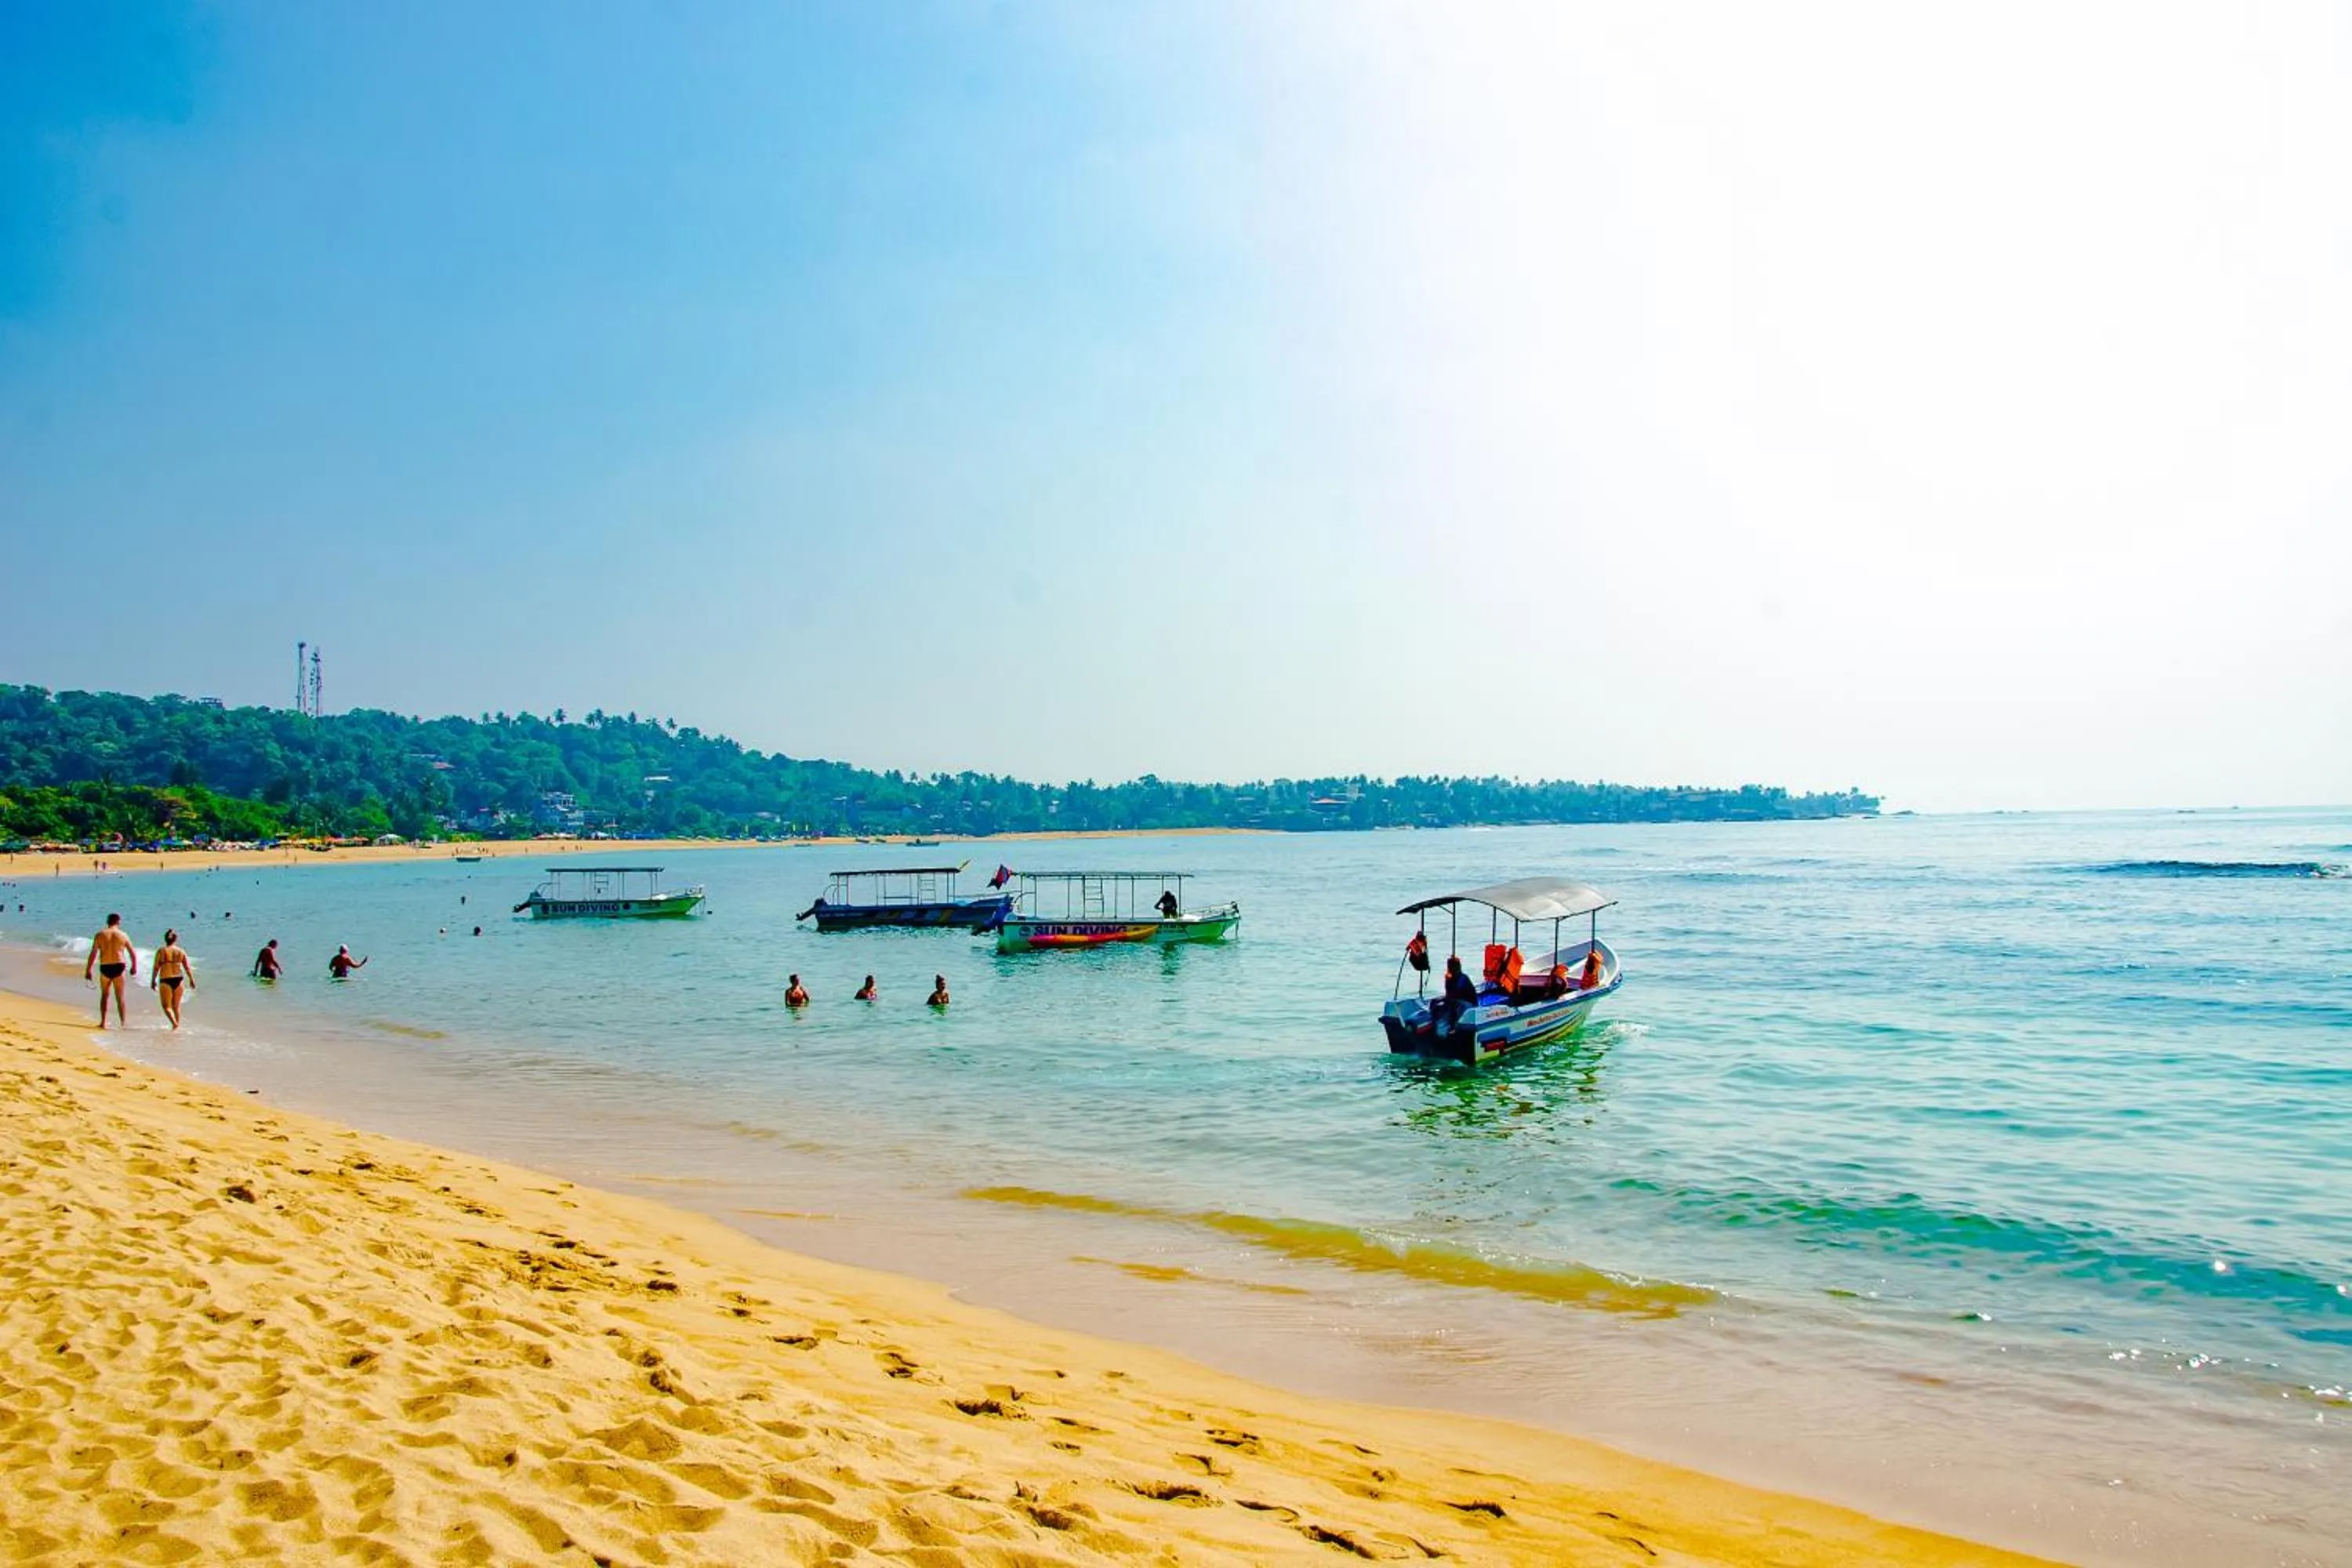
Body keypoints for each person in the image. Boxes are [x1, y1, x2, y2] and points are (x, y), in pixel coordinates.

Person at [84, 913, 137, 1028]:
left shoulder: (100, 935)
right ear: (118, 922)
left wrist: (88, 970)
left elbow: (93, 953)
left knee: (104, 995)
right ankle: (123, 1023)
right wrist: (134, 967)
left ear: (107, 922)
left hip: (105, 966)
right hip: (119, 966)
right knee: (120, 996)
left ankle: (103, 1023)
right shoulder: (123, 935)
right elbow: (132, 953)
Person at [151, 928, 194, 1030]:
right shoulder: (181, 951)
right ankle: (176, 1027)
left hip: (166, 979)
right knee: (176, 1006)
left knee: (166, 1006)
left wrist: (153, 980)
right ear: (175, 939)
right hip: (179, 979)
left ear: (165, 939)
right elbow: (187, 967)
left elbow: (156, 967)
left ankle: (174, 1024)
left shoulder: (161, 951)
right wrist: (191, 979)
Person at [1434, 953, 1478, 1033]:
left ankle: (1456, 1027)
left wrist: (1448, 997)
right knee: (1438, 1002)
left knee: (1456, 1004)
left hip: (1469, 1003)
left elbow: (1456, 992)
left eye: (1453, 967)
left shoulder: (1463, 978)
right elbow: (1449, 992)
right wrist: (1448, 982)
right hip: (1457, 1000)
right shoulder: (1450, 978)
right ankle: (1438, 1022)